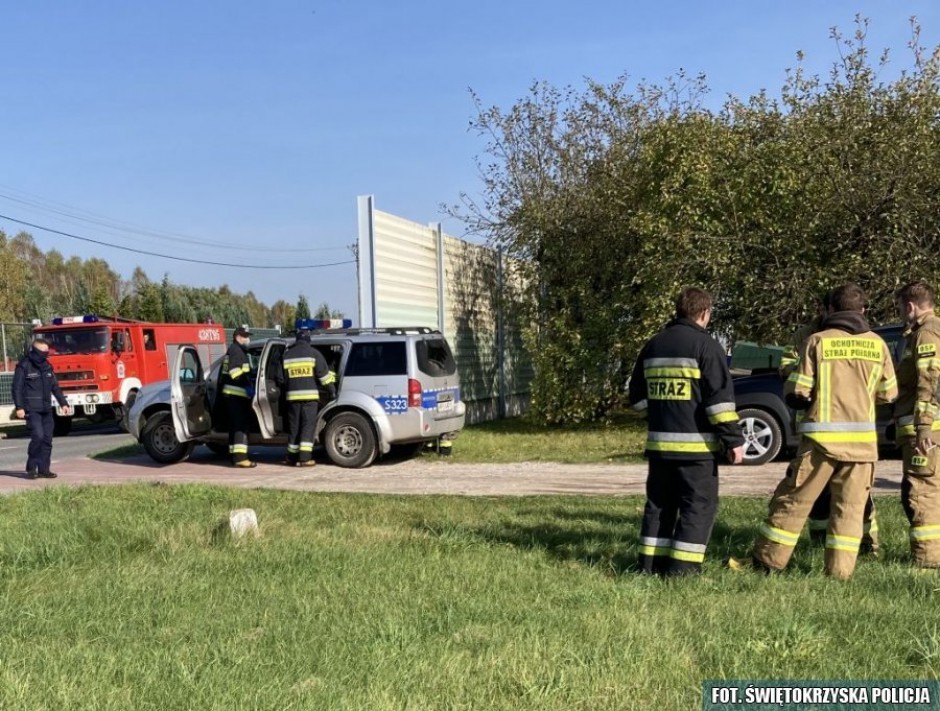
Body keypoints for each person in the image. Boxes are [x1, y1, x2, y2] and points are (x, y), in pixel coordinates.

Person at [737, 283, 897, 580]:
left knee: (793, 501)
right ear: (862, 311)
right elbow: (888, 393)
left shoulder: (817, 341)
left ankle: (768, 563)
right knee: (849, 510)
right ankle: (839, 574)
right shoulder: (878, 344)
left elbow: (799, 389)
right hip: (862, 447)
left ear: (832, 310)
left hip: (820, 443)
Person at [628, 287, 745, 576]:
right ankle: (682, 571)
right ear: (705, 313)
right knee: (697, 508)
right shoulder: (707, 347)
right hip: (698, 451)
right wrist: (733, 440)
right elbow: (720, 403)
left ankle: (650, 567)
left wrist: (658, 415)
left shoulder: (653, 345)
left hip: (660, 448)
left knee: (658, 507)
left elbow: (636, 396)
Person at [783, 292, 880, 554]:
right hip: (817, 426)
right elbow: (786, 366)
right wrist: (810, 370)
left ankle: (867, 544)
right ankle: (819, 542)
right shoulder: (807, 335)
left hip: (835, 430)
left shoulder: (850, 340)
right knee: (819, 495)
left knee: (857, 498)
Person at [894, 281, 940, 569]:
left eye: (900, 308)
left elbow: (930, 380)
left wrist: (923, 426)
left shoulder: (926, 334)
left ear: (910, 306)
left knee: (922, 492)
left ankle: (929, 560)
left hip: (926, 431)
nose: (900, 314)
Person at [11, 338, 73, 479]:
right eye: (44, 351)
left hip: (47, 409)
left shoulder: (47, 366)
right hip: (32, 409)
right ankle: (31, 468)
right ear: (36, 350)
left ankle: (44, 469)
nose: (46, 353)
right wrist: (19, 407)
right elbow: (17, 388)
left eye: (47, 351)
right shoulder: (24, 365)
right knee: (38, 437)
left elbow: (55, 387)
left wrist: (63, 403)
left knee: (47, 440)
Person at [280, 330, 336, 467]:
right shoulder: (314, 354)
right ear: (308, 340)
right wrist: (332, 391)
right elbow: (324, 377)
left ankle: (291, 458)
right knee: (307, 427)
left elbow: (280, 379)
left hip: (292, 398)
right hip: (310, 398)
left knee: (294, 428)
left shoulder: (287, 355)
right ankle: (305, 458)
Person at [220, 326, 256, 468]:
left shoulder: (237, 350)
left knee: (234, 427)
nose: (247, 339)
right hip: (236, 394)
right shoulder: (236, 350)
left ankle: (233, 455)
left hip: (234, 395)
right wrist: (246, 385)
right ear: (237, 337)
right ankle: (240, 458)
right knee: (240, 426)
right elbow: (234, 372)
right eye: (245, 336)